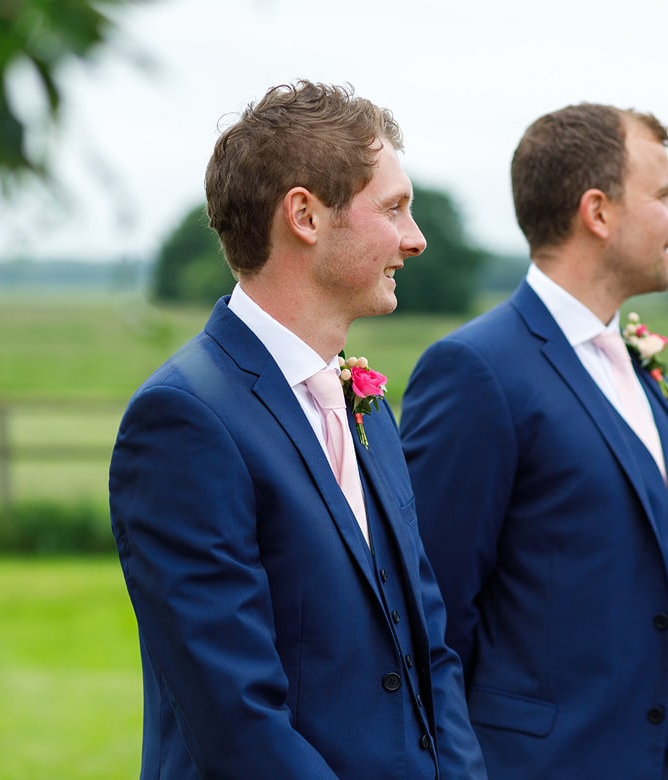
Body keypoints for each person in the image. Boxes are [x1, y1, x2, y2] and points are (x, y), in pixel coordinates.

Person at [109, 81, 486, 780]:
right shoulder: (184, 420)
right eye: (394, 208)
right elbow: (236, 719)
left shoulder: (366, 404)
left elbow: (431, 650)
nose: (416, 238)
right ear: (306, 216)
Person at [400, 102, 668, 780]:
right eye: (664, 195)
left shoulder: (638, 361)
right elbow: (433, 614)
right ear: (598, 212)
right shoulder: (477, 372)